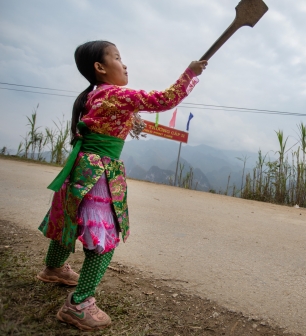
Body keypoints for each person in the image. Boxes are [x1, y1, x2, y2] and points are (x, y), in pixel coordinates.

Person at [36, 40, 207, 331]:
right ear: (100, 68)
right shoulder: (116, 95)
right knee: (104, 239)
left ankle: (53, 268)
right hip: (98, 171)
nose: (124, 64)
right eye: (117, 58)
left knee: (68, 221)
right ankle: (79, 305)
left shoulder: (96, 96)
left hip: (81, 168)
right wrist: (190, 73)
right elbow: (165, 99)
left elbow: (128, 119)